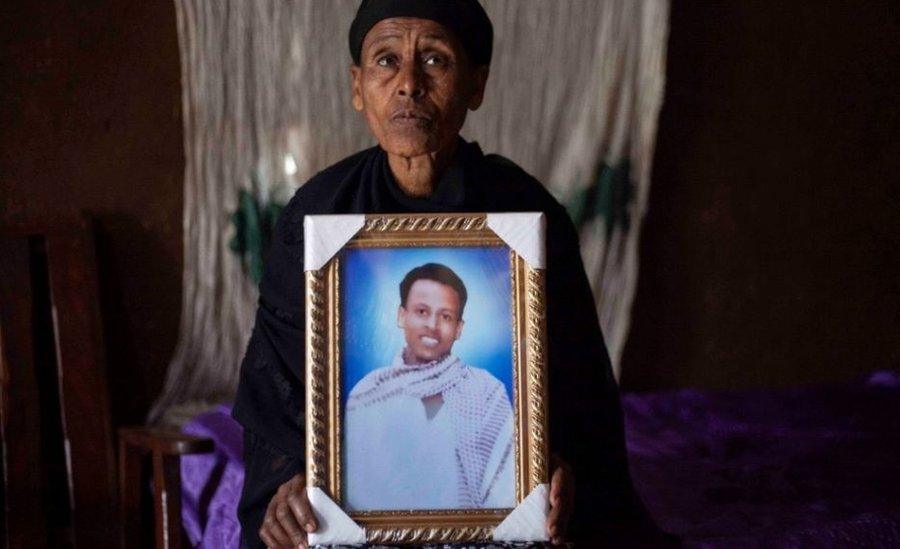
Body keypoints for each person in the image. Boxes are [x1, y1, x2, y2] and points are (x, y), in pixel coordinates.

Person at [233, 0, 674, 547]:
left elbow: (576, 383)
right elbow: (278, 383)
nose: (409, 84)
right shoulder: (316, 215)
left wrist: (552, 468)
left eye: (436, 61)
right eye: (386, 60)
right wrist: (287, 480)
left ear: (476, 86)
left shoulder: (526, 216)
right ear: (357, 85)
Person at [344, 263, 515, 511]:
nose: (432, 325)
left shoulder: (487, 391)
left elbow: (506, 490)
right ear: (402, 316)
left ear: (459, 329)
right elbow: (356, 493)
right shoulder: (367, 393)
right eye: (422, 311)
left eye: (445, 316)